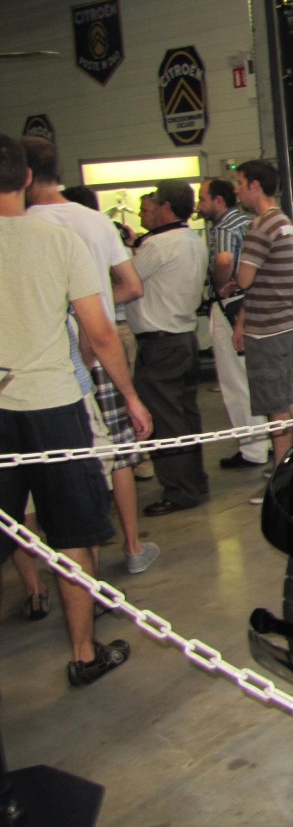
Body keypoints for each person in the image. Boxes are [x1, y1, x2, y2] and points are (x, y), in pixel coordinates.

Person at [0, 132, 152, 685]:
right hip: (54, 407)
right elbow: (101, 333)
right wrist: (131, 397)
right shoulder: (56, 240)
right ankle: (84, 654)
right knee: (70, 537)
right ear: (24, 180)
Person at [21, 137, 160, 572]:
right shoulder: (95, 221)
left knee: (56, 461)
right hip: (107, 340)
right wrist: (96, 305)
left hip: (50, 355)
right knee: (117, 450)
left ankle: (54, 570)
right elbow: (133, 286)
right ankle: (133, 547)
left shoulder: (23, 225)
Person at [125, 180, 208, 516]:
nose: (149, 210)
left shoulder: (157, 246)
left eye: (153, 204)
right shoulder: (192, 239)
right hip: (185, 338)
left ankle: (179, 491)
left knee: (166, 420)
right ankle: (194, 482)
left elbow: (125, 283)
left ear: (167, 208)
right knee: (186, 416)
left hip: (160, 344)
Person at [219, 160, 293, 474]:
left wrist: (229, 275)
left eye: (239, 183)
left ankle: (281, 477)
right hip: (282, 322)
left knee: (275, 406)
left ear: (255, 184)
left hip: (268, 330)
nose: (237, 190)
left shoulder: (260, 226)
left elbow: (245, 280)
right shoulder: (283, 222)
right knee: (285, 396)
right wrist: (242, 322)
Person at [197, 177, 270, 470]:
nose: (199, 206)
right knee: (251, 377)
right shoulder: (248, 222)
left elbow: (225, 259)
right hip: (255, 305)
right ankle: (262, 441)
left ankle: (252, 448)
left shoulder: (225, 227)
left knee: (234, 381)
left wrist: (220, 281)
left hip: (230, 306)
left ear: (218, 201)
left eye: (202, 199)